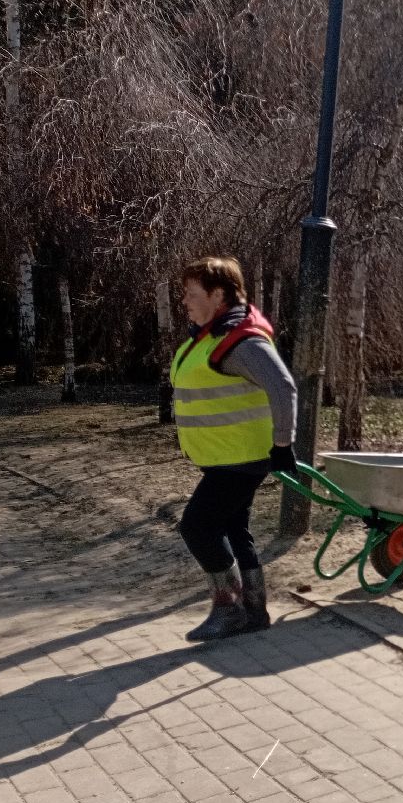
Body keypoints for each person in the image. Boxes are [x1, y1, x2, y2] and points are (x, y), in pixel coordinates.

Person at [171, 257, 298, 641]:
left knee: (196, 527)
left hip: (240, 458)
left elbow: (283, 387)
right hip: (225, 457)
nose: (186, 302)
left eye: (192, 294)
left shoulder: (241, 341)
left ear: (219, 295)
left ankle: (229, 608)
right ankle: (255, 611)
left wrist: (283, 446)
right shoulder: (212, 334)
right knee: (234, 529)